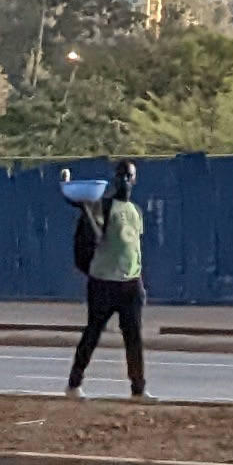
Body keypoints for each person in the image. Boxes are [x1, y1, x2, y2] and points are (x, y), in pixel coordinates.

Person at [66, 159, 148, 399]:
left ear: (134, 180)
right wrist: (85, 210)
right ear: (115, 179)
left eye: (128, 176)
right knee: (92, 333)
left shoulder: (134, 211)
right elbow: (96, 235)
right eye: (120, 176)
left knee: (133, 337)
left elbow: (133, 246)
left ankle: (138, 389)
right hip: (103, 282)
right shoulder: (104, 206)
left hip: (130, 283)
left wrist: (140, 279)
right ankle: (73, 384)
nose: (123, 180)